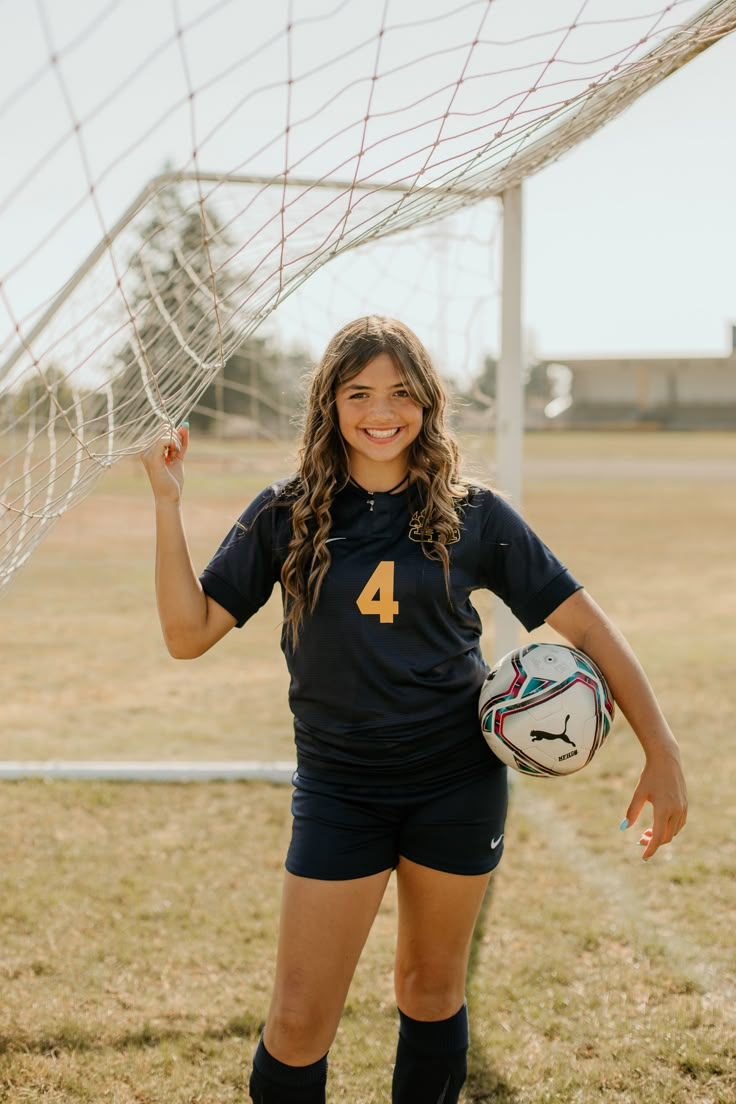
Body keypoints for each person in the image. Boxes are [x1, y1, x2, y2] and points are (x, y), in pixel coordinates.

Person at [140, 316, 687, 1104]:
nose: (380, 411)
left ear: (427, 402)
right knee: (296, 1021)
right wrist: (167, 505)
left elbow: (590, 626)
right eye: (359, 392)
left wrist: (660, 749)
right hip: (340, 792)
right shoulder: (284, 513)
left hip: (454, 787)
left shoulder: (476, 515)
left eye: (400, 392)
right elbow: (187, 634)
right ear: (329, 403)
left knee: (429, 990)